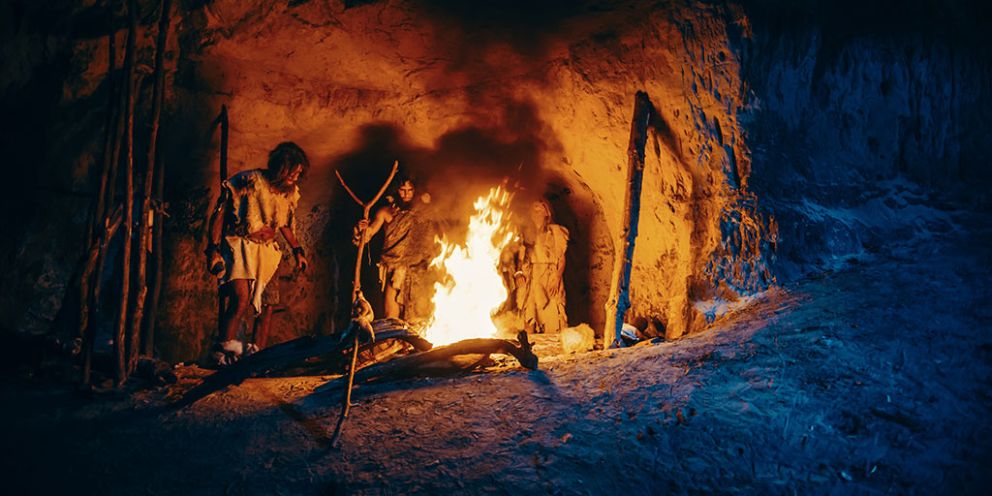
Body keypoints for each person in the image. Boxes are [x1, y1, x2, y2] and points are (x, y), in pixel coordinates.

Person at [205, 142, 309, 365]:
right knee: (240, 300)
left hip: (267, 253)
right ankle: (222, 353)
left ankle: (256, 358)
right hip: (241, 247)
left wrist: (297, 250)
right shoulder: (249, 181)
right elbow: (220, 213)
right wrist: (213, 249)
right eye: (291, 172)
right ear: (280, 167)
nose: (295, 177)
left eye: (298, 174)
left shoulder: (289, 193)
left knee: (267, 307)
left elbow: (284, 224)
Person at [352, 176, 431, 320]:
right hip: (394, 268)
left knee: (418, 315)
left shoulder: (423, 212)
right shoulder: (385, 212)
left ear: (415, 191)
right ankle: (393, 335)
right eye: (402, 190)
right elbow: (369, 233)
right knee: (391, 315)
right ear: (396, 190)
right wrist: (361, 229)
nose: (406, 194)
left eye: (410, 190)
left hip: (418, 269)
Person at [523, 199, 568, 334]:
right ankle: (528, 344)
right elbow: (522, 259)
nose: (536, 212)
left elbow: (561, 258)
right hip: (533, 276)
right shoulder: (527, 234)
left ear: (547, 212)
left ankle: (555, 342)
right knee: (530, 313)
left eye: (539, 209)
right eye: (533, 209)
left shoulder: (556, 232)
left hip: (550, 275)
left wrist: (557, 276)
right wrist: (520, 274)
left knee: (553, 314)